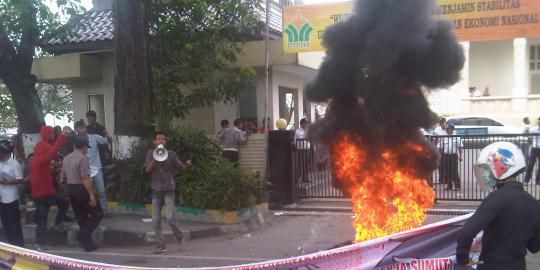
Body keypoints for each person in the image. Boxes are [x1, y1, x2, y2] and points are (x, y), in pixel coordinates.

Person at [457, 142, 540, 270]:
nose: (486, 174)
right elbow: (535, 246)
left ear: (502, 168)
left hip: (491, 265)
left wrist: (463, 260)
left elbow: (466, 233)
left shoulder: (495, 199)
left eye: (487, 169)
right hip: (518, 265)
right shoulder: (532, 202)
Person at [144, 131, 192, 254]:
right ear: (155, 142)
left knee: (170, 217)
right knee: (155, 220)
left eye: (163, 139)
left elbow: (182, 167)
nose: (161, 141)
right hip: (156, 190)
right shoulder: (150, 153)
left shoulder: (171, 154)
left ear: (165, 142)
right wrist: (156, 157)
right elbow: (147, 169)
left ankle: (180, 236)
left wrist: (187, 165)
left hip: (169, 189)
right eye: (158, 139)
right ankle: (161, 245)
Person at [61, 136, 103, 252]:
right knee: (98, 213)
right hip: (81, 188)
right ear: (83, 147)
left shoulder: (66, 158)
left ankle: (88, 245)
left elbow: (63, 179)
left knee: (81, 216)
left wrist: (68, 191)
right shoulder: (82, 159)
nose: (87, 150)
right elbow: (85, 178)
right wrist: (91, 195)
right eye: (87, 148)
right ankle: (82, 235)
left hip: (71, 188)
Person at [30, 125, 70, 248]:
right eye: (51, 133)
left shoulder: (37, 160)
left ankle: (40, 244)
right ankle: (58, 224)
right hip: (46, 193)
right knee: (65, 203)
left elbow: (46, 167)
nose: (53, 135)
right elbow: (52, 152)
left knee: (42, 220)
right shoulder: (41, 159)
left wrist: (54, 168)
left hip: (38, 195)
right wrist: (62, 137)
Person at [75, 120, 111, 215]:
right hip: (83, 170)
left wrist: (107, 135)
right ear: (77, 130)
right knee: (86, 193)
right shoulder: (75, 142)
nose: (83, 130)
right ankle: (89, 211)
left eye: (84, 127)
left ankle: (104, 211)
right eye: (81, 128)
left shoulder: (94, 137)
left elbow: (106, 141)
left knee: (101, 190)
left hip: (96, 168)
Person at [0, 140, 25, 247]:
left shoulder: (14, 164)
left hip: (11, 198)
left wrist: (9, 182)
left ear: (5, 152)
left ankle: (19, 247)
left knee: (14, 224)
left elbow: (20, 179)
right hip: (1, 197)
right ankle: (11, 246)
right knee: (6, 224)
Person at [440, 124, 462, 191]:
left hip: (453, 156)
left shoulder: (456, 137)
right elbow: (440, 147)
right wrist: (441, 155)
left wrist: (461, 156)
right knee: (447, 171)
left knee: (454, 171)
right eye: (446, 129)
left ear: (452, 129)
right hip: (446, 156)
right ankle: (449, 186)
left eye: (448, 129)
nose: (447, 130)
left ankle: (457, 186)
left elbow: (460, 147)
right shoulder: (444, 137)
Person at [524, 117, 540, 185]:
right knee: (530, 165)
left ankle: (538, 180)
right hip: (534, 148)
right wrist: (531, 145)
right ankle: (526, 180)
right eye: (538, 121)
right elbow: (529, 138)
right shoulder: (533, 129)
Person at [295, 118, 312, 183]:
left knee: (307, 164)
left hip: (307, 149)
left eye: (307, 123)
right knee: (300, 164)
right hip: (300, 150)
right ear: (301, 124)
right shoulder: (297, 131)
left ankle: (305, 178)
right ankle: (298, 179)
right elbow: (295, 140)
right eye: (305, 123)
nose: (306, 125)